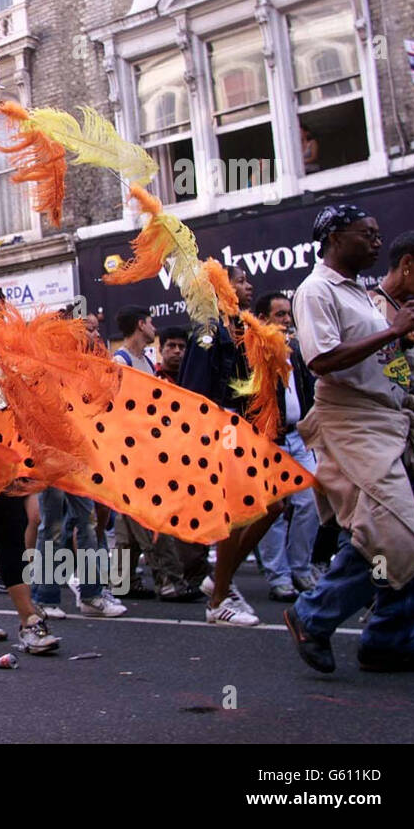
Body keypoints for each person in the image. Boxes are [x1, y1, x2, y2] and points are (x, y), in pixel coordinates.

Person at [285, 207, 414, 672]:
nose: (375, 241)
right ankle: (312, 614)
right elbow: (322, 360)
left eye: (377, 233)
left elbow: (386, 359)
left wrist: (406, 369)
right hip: (352, 423)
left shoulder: (365, 296)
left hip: (390, 423)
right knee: (389, 536)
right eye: (366, 234)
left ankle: (391, 638)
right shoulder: (315, 291)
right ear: (334, 237)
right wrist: (394, 329)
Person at [0, 283, 68, 648]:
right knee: (11, 527)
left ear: (2, 306)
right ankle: (29, 618)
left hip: (12, 451)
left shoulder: (13, 344)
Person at [178, 263, 280, 626]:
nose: (247, 286)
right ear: (222, 287)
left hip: (244, 429)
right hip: (223, 431)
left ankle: (218, 580)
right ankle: (218, 599)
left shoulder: (239, 329)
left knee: (275, 504)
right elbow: (194, 393)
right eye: (240, 281)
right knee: (238, 511)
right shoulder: (208, 332)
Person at [252, 290, 320, 599]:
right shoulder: (254, 352)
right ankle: (279, 577)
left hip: (298, 437)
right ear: (263, 319)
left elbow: (306, 389)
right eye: (280, 315)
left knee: (310, 503)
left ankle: (301, 569)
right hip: (270, 441)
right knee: (274, 512)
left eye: (288, 315)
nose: (287, 321)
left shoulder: (296, 351)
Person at [109, 305, 161, 599]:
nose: (155, 328)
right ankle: (163, 572)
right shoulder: (121, 360)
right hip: (128, 450)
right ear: (141, 325)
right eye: (151, 322)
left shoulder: (148, 363)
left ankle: (122, 579)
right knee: (138, 513)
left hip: (147, 448)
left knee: (126, 518)